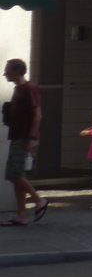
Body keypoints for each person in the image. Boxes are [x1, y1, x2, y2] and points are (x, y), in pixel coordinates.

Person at [2, 58, 48, 226]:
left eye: (7, 69)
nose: (5, 73)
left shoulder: (29, 89)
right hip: (16, 136)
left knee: (13, 174)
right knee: (18, 175)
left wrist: (31, 138)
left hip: (24, 138)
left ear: (16, 71)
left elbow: (38, 115)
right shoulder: (18, 89)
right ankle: (21, 215)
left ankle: (39, 200)